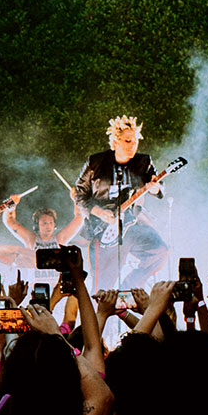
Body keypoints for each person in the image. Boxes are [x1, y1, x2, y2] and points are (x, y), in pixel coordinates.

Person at [71, 116, 173, 289]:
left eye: (135, 141)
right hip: (102, 230)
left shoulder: (144, 162)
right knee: (102, 288)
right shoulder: (95, 162)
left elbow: (160, 188)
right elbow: (80, 195)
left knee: (160, 251)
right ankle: (103, 313)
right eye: (127, 141)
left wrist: (155, 188)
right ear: (115, 141)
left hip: (131, 226)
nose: (132, 145)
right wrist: (99, 212)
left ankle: (130, 286)